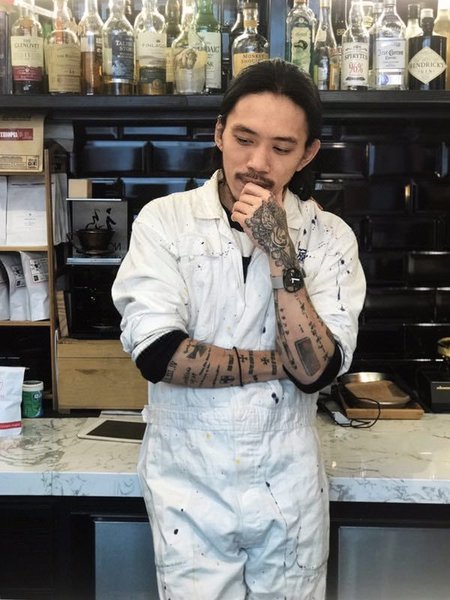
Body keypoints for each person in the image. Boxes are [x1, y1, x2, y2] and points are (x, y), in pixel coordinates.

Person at [112, 58, 366, 600]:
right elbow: (159, 356)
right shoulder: (165, 221)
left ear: (307, 154)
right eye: (244, 140)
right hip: (188, 486)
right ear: (219, 133)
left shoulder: (329, 238)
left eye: (281, 148)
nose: (257, 163)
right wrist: (280, 363)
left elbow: (316, 373)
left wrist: (280, 253)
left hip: (289, 484)